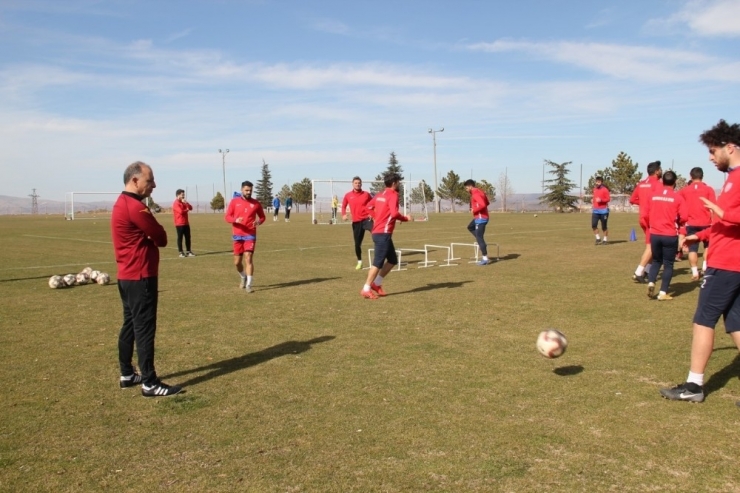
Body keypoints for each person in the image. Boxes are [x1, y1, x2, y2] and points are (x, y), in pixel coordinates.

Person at [659, 119, 740, 405]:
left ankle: (694, 386)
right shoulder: (731, 178)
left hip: (728, 264)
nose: (709, 156)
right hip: (730, 260)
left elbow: (730, 218)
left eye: (713, 150)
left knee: (703, 321)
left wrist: (722, 212)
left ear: (730, 148)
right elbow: (725, 224)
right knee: (735, 323)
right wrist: (701, 235)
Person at [111, 161, 182, 397]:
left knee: (130, 324)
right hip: (141, 276)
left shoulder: (120, 203)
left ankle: (127, 373)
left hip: (126, 276)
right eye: (149, 180)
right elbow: (161, 237)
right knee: (144, 329)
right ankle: (150, 382)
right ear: (135, 181)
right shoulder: (135, 207)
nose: (154, 185)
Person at [360, 173, 410, 299]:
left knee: (393, 260)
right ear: (394, 183)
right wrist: (405, 218)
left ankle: (376, 284)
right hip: (383, 233)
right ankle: (366, 288)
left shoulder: (379, 194)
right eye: (398, 182)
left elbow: (368, 207)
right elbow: (394, 213)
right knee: (377, 263)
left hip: (379, 232)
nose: (399, 184)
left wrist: (377, 217)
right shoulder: (393, 195)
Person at [644, 170, 687, 301]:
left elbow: (646, 213)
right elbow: (684, 217)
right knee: (668, 264)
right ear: (675, 182)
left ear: (662, 181)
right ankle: (662, 293)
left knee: (657, 260)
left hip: (655, 233)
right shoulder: (678, 197)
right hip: (669, 234)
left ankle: (651, 281)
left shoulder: (653, 196)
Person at [225, 181, 266, 293]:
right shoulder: (234, 202)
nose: (249, 192)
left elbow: (262, 217)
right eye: (247, 190)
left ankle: (249, 285)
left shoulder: (256, 203)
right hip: (237, 235)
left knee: (248, 258)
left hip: (250, 234)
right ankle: (243, 277)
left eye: (250, 190)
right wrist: (235, 220)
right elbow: (227, 217)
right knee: (237, 262)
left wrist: (258, 222)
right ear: (242, 189)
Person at [679, 167, 716, 280]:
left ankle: (695, 272)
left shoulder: (684, 190)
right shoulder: (709, 189)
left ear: (691, 176)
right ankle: (705, 267)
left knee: (693, 249)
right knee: (708, 247)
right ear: (702, 176)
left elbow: (679, 205)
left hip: (691, 223)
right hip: (706, 223)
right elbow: (713, 207)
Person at [629, 161, 663, 282]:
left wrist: (643, 202)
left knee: (654, 245)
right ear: (656, 171)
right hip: (652, 218)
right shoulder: (658, 184)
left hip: (642, 218)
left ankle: (647, 271)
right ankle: (638, 272)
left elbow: (632, 199)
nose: (662, 171)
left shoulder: (641, 184)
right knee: (651, 246)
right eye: (660, 169)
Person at [342, 177, 373, 270]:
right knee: (357, 244)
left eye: (359, 183)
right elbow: (343, 206)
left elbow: (373, 204)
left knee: (376, 233)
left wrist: (372, 213)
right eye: (356, 183)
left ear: (361, 184)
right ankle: (360, 261)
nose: (357, 184)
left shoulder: (366, 194)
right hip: (356, 222)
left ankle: (381, 254)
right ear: (352, 184)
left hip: (366, 220)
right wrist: (343, 214)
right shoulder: (348, 195)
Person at [463, 179, 492, 265]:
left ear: (470, 186)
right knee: (470, 227)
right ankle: (482, 243)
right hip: (480, 217)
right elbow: (487, 202)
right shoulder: (480, 191)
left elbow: (483, 204)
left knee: (479, 238)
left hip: (481, 218)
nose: (466, 190)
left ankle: (485, 258)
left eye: (466, 188)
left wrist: (474, 209)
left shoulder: (475, 194)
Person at [173, 189, 195, 258]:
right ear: (178, 195)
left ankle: (188, 251)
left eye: (184, 195)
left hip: (186, 223)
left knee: (188, 237)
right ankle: (181, 252)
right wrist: (187, 210)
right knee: (180, 238)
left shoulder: (183, 202)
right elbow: (181, 212)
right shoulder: (176, 203)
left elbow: (191, 208)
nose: (183, 196)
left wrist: (186, 203)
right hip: (179, 224)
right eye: (182, 195)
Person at [591, 176, 610, 245]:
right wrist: (592, 201)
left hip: (604, 211)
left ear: (601, 182)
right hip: (595, 211)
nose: (597, 183)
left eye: (599, 182)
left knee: (604, 227)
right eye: (596, 182)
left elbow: (608, 199)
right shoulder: (594, 189)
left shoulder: (605, 190)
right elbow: (595, 198)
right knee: (593, 225)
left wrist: (601, 200)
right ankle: (598, 238)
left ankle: (605, 239)